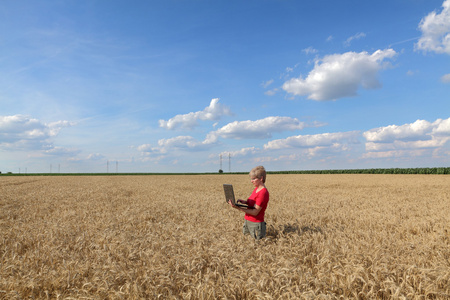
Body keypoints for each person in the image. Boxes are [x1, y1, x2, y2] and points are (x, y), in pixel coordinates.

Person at [228, 166, 269, 240]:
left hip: (255, 224)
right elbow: (254, 204)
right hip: (248, 221)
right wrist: (245, 202)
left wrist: (238, 207)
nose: (251, 181)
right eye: (251, 179)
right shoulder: (256, 189)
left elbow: (255, 212)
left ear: (261, 178)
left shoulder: (263, 192)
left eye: (253, 179)